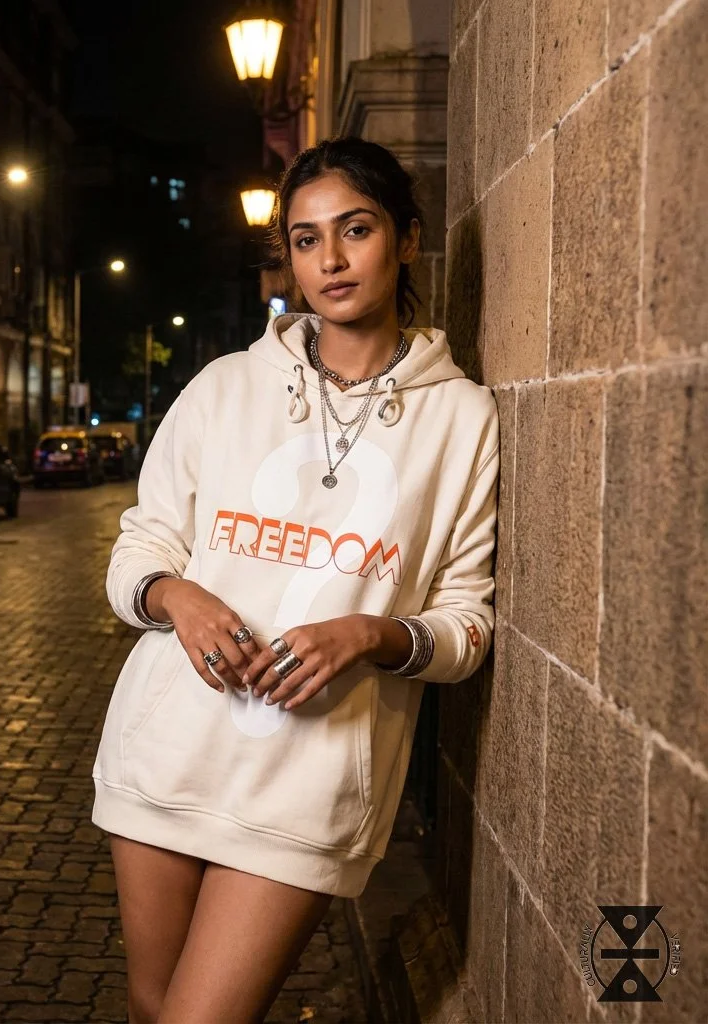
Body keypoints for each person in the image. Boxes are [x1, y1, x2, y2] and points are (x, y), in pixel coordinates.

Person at [92, 137, 499, 1024]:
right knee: (152, 1005)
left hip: (310, 783)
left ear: (407, 239)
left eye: (357, 229)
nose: (332, 260)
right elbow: (137, 550)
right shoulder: (223, 387)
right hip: (166, 751)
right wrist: (177, 595)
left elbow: (467, 625)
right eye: (307, 239)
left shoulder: (463, 419)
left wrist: (371, 633)